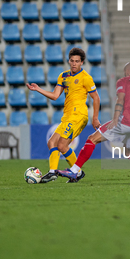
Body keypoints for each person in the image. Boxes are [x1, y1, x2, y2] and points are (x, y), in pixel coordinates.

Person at [57, 61, 130, 184]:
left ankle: (74, 170)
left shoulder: (123, 81)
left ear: (127, 71)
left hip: (124, 121)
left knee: (92, 139)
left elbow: (120, 100)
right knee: (129, 152)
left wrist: (115, 119)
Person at [26, 47, 100, 183]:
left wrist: (95, 118)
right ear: (69, 61)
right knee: (52, 142)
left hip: (79, 115)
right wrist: (37, 89)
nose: (74, 64)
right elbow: (55, 96)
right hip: (67, 116)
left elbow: (96, 97)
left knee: (61, 144)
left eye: (77, 61)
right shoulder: (63, 76)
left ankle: (70, 172)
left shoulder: (86, 78)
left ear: (82, 62)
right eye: (72, 61)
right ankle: (62, 172)